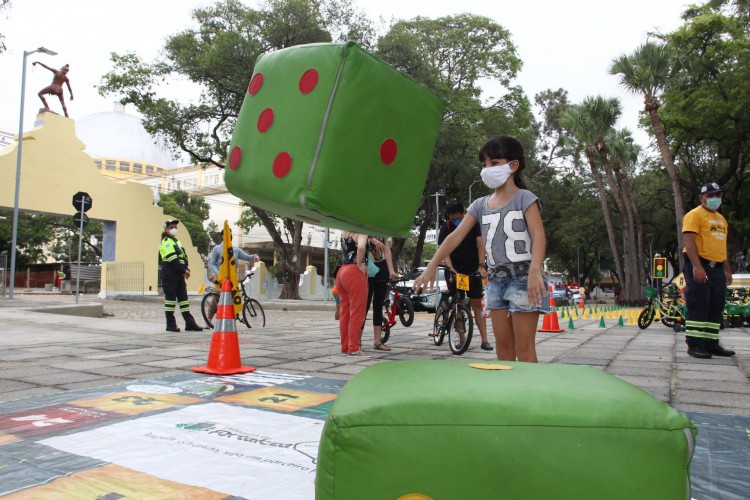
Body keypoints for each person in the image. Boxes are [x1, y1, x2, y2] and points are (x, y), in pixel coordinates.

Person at [414, 136, 547, 362]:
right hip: (495, 282)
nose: (487, 169)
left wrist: (536, 270)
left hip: (523, 279)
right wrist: (432, 265)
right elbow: (454, 237)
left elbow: (538, 234)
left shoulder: (525, 198)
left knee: (524, 349)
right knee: (503, 349)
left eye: (494, 163)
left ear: (513, 165)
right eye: (484, 164)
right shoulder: (479, 204)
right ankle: (507, 395)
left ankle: (529, 396)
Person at [682, 182, 735, 359]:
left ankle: (711, 344)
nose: (715, 199)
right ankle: (695, 345)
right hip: (700, 265)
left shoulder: (721, 220)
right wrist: (697, 266)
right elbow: (689, 241)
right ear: (702, 198)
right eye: (711, 196)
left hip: (717, 268)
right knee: (699, 304)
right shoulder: (694, 215)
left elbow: (722, 246)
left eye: (718, 195)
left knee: (716, 305)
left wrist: (727, 270)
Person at [437, 200, 493, 351]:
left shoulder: (473, 224)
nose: (456, 221)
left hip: (473, 270)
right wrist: (451, 268)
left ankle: (485, 340)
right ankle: (461, 338)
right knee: (459, 304)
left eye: (458, 218)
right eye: (453, 218)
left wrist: (481, 266)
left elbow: (480, 245)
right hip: (455, 271)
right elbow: (444, 251)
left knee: (477, 304)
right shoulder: (446, 227)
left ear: (464, 214)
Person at [159, 220, 204, 332]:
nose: (174, 228)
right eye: (171, 227)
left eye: (175, 227)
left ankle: (190, 323)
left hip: (179, 276)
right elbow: (172, 259)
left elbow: (184, 258)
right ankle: (170, 325)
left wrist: (186, 269)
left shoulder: (177, 242)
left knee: (184, 301)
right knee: (170, 301)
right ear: (166, 229)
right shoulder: (166, 242)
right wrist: (184, 270)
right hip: (169, 276)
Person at [336, 231, 369, 356]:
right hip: (354, 272)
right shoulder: (361, 232)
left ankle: (345, 347)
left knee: (345, 312)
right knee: (357, 312)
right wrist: (359, 264)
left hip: (342, 271)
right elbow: (361, 247)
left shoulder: (344, 232)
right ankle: (354, 348)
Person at [363, 237, 398, 352]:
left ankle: (377, 341)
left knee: (378, 306)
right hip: (367, 270)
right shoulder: (365, 228)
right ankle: (356, 341)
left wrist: (391, 270)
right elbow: (359, 241)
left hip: (382, 270)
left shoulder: (384, 231)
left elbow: (387, 251)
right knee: (364, 306)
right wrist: (372, 240)